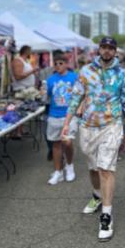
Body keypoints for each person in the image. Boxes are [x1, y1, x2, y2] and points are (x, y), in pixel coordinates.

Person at [61, 36, 125, 242]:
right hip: (88, 128)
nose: (107, 51)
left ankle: (106, 216)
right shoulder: (85, 72)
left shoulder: (122, 74)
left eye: (111, 48)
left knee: (106, 168)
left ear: (115, 51)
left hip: (112, 125)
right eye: (104, 47)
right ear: (99, 49)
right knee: (93, 169)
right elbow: (75, 97)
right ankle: (96, 195)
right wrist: (67, 123)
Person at [45, 53, 78, 185]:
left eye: (61, 63)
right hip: (54, 115)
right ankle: (58, 172)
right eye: (56, 63)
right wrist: (42, 92)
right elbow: (47, 96)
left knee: (67, 142)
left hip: (69, 115)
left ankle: (69, 166)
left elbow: (80, 94)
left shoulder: (74, 77)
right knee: (56, 144)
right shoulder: (50, 80)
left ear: (66, 64)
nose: (58, 66)